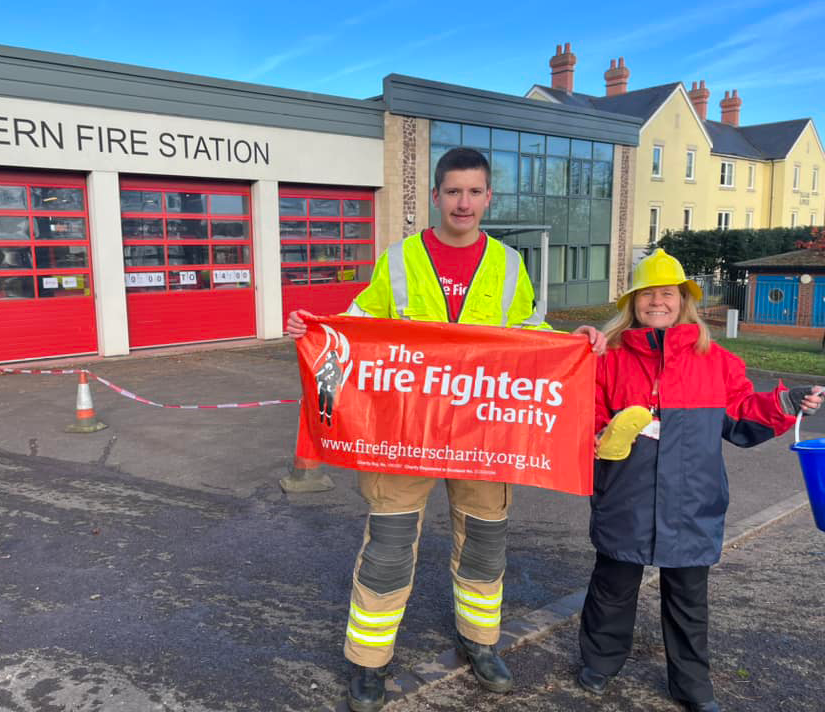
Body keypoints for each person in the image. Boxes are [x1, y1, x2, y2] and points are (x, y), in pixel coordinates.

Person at [287, 146, 606, 712]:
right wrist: (316, 329)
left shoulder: (509, 265)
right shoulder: (400, 259)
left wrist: (571, 341)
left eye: (474, 191)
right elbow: (361, 325)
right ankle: (368, 662)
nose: (463, 201)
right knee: (387, 547)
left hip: (485, 435)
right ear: (435, 196)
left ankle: (480, 642)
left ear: (488, 198)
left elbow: (529, 336)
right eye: (453, 191)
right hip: (404, 432)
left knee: (484, 543)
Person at [578, 249, 823, 712]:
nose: (657, 302)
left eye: (666, 293)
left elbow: (743, 416)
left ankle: (692, 685)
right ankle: (600, 663)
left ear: (682, 300)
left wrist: (786, 402)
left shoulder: (719, 362)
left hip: (692, 501)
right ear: (633, 302)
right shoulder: (606, 359)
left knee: (689, 600)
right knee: (612, 587)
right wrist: (600, 432)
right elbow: (583, 413)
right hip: (624, 497)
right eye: (647, 294)